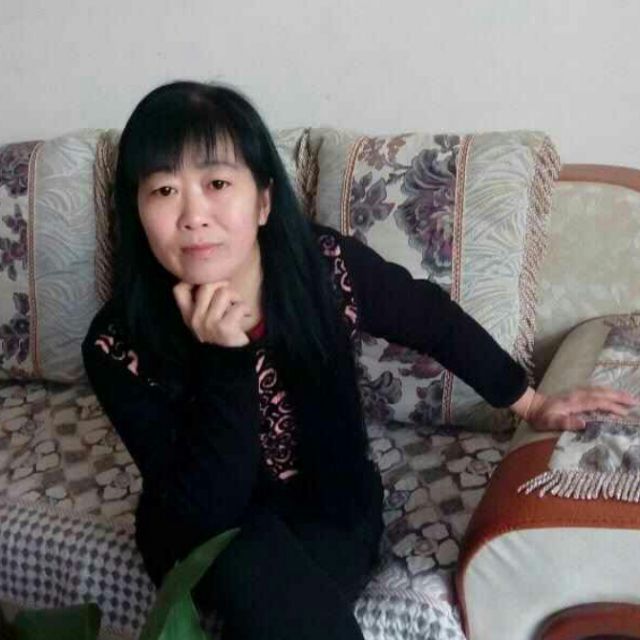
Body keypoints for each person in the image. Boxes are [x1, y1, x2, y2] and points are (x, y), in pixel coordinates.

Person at [81, 81, 636, 640]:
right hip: (201, 526)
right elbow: (208, 512)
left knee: (287, 613)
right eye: (163, 190)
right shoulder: (114, 344)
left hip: (330, 501)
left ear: (264, 201)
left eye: (217, 183)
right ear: (137, 211)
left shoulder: (324, 268)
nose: (193, 215)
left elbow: (432, 319)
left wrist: (532, 403)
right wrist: (224, 361)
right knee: (259, 575)